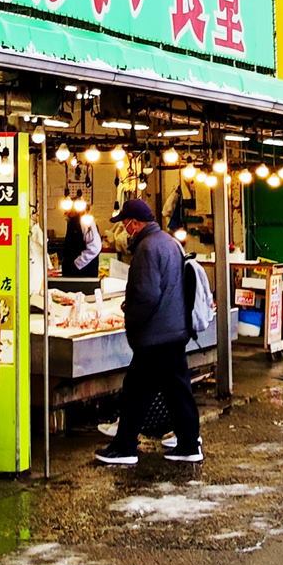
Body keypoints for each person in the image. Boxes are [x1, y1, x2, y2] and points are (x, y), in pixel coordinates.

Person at [96, 198, 202, 465]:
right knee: (177, 391)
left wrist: (130, 316)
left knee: (135, 392)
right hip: (174, 330)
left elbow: (146, 294)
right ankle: (189, 443)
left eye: (125, 224)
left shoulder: (146, 248)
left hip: (155, 335)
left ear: (133, 223)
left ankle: (124, 448)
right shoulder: (169, 242)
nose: (124, 229)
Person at [59, 208, 102, 277]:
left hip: (84, 272)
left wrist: (77, 263)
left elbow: (95, 247)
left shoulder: (85, 221)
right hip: (71, 271)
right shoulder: (71, 221)